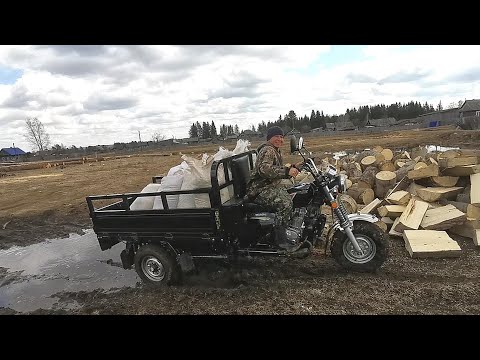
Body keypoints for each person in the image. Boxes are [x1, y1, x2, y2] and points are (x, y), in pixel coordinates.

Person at [246, 126, 303, 251]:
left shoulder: (275, 150)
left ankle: (292, 227)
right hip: (259, 189)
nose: (280, 139)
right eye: (277, 136)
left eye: (282, 137)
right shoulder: (268, 150)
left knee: (295, 191)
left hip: (269, 185)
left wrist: (294, 166)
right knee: (285, 203)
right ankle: (280, 240)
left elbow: (276, 169)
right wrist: (287, 171)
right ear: (269, 138)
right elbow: (264, 169)